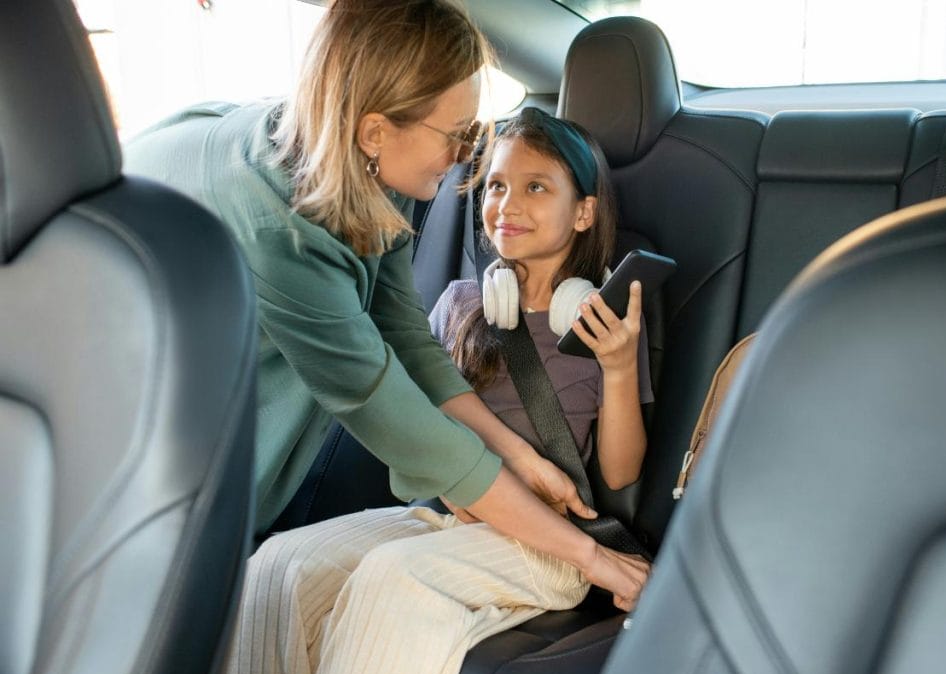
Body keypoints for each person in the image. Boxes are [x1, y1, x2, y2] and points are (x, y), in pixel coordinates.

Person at [124, 0, 647, 640]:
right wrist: (595, 558)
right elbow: (384, 402)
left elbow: (401, 334)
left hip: (512, 534)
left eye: (472, 133)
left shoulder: (374, 165)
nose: (463, 158)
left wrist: (515, 452)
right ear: (375, 131)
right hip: (128, 419)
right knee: (245, 584)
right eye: (457, 135)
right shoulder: (277, 226)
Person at [222, 106, 654, 674]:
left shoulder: (603, 320)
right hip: (445, 518)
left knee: (392, 578)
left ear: (583, 213)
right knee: (279, 565)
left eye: (536, 187)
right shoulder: (460, 303)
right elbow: (419, 415)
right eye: (496, 185)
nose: (508, 203)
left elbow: (621, 475)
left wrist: (620, 367)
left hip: (549, 544)